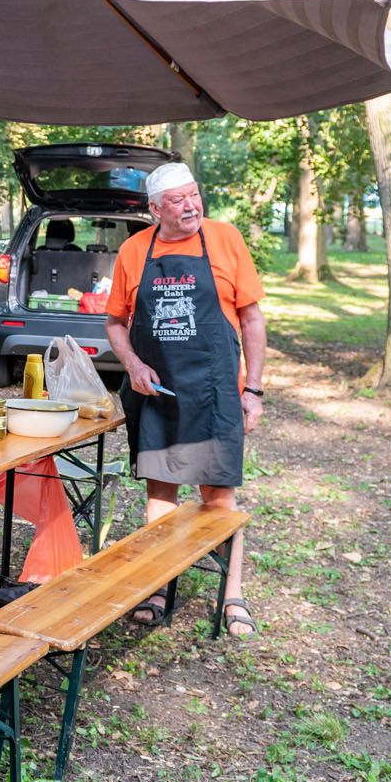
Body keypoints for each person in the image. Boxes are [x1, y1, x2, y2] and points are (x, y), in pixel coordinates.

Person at [103, 162, 268, 637]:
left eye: (194, 195)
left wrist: (253, 390)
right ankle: (159, 586)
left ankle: (232, 593)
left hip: (216, 393)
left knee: (219, 498)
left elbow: (252, 319)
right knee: (161, 497)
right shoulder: (135, 250)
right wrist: (134, 365)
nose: (191, 206)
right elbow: (115, 322)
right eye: (178, 200)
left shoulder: (226, 239)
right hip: (158, 394)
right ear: (155, 209)